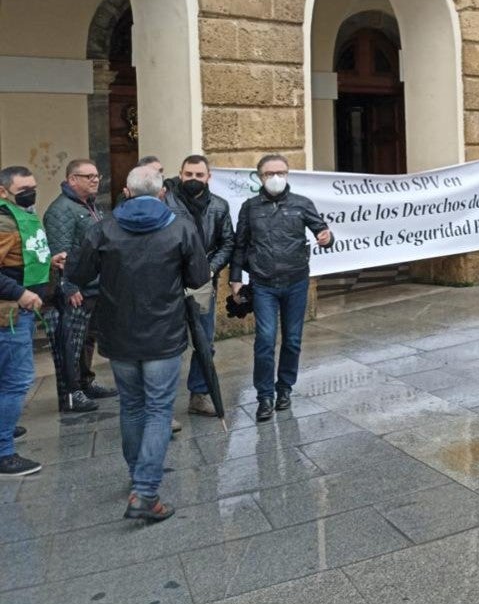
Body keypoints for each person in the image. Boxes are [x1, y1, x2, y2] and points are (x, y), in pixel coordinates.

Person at [68, 166, 208, 518]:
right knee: (159, 409)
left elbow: (80, 274)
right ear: (162, 194)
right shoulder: (180, 226)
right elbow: (198, 276)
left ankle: (138, 476)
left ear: (127, 193)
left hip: (118, 333)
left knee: (132, 407)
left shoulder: (103, 227)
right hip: (164, 332)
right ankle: (146, 491)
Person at [230, 155, 333, 422]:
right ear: (260, 177)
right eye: (269, 173)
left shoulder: (302, 203)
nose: (276, 177)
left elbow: (322, 232)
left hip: (296, 282)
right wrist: (235, 278)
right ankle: (264, 396)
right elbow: (239, 245)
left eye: (281, 172)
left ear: (287, 174)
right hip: (263, 284)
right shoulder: (250, 207)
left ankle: (284, 388)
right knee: (265, 339)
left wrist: (326, 237)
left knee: (293, 339)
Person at [163, 155, 234, 415]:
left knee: (204, 341)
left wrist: (210, 269)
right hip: (168, 284)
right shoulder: (165, 201)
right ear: (180, 174)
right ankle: (163, 405)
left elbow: (228, 242)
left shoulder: (219, 205)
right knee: (167, 343)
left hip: (202, 285)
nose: (194, 179)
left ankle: (199, 394)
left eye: (199, 175)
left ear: (208, 177)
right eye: (189, 174)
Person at [0, 166, 57, 477]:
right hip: (9, 314)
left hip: (15, 311)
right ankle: (3, 452)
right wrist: (21, 293)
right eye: (24, 189)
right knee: (16, 380)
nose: (31, 194)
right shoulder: (4, 222)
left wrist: (50, 259)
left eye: (33, 187)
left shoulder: (17, 217)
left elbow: (19, 257)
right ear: (3, 192)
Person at [44, 159, 114, 413]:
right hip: (77, 290)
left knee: (87, 340)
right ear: (72, 179)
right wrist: (70, 287)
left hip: (94, 287)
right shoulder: (61, 210)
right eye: (88, 176)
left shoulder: (90, 205)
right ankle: (72, 393)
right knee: (71, 343)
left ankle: (86, 382)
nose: (95, 180)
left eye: (97, 175)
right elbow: (60, 254)